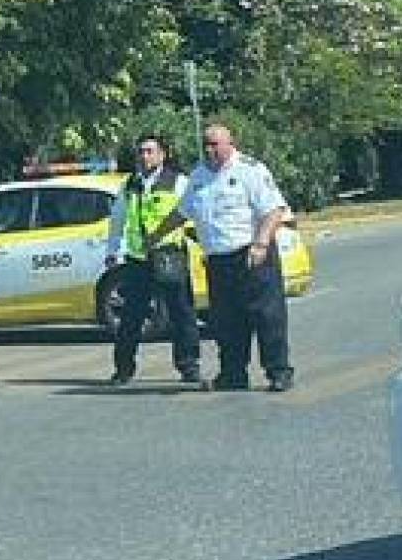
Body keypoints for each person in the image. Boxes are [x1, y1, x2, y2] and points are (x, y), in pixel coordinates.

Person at [145, 123, 294, 392]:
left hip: (251, 255)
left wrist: (261, 243)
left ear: (230, 143)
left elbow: (274, 210)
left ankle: (278, 371)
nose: (210, 150)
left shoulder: (250, 170)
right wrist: (156, 235)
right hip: (218, 260)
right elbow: (183, 212)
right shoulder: (199, 176)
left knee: (267, 317)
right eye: (206, 145)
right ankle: (233, 373)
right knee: (226, 321)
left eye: (215, 144)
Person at [104, 134, 200, 385]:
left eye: (149, 151)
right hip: (138, 258)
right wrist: (112, 250)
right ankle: (124, 369)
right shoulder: (131, 184)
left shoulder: (178, 182)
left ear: (162, 155)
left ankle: (188, 366)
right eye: (141, 152)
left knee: (181, 313)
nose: (144, 157)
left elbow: (194, 212)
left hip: (169, 254)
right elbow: (118, 219)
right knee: (131, 316)